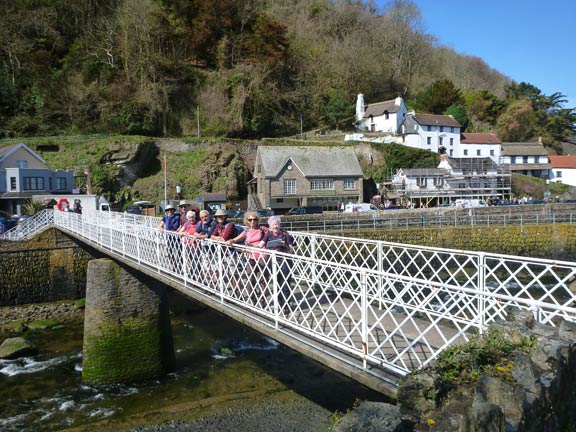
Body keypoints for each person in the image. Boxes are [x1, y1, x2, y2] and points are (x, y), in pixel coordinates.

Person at [234, 211, 268, 306]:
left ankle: (262, 300)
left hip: (262, 255)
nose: (252, 221)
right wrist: (230, 241)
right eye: (250, 219)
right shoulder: (246, 231)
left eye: (254, 219)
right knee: (250, 278)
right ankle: (253, 297)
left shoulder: (262, 229)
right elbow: (237, 238)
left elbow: (272, 234)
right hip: (251, 256)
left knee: (262, 279)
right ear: (247, 221)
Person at [261, 216, 294, 312]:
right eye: (273, 225)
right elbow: (261, 244)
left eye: (277, 224)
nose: (275, 226)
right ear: (270, 226)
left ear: (279, 225)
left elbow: (291, 250)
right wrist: (250, 246)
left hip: (284, 260)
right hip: (273, 261)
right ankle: (279, 303)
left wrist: (285, 245)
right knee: (276, 283)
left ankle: (286, 305)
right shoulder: (268, 234)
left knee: (285, 283)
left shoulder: (285, 234)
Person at [158, 204, 181, 272]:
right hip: (169, 237)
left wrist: (177, 231)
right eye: (168, 210)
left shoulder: (178, 216)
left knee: (179, 251)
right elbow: (161, 225)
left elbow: (181, 225)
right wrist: (161, 228)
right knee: (169, 252)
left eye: (171, 210)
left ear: (173, 210)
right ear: (167, 211)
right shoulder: (165, 217)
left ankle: (179, 266)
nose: (170, 211)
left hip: (177, 236)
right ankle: (174, 265)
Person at [177, 210, 198, 276]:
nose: (191, 219)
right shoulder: (187, 223)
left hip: (196, 245)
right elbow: (179, 232)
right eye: (189, 217)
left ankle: (197, 274)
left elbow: (201, 232)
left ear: (195, 217)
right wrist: (184, 233)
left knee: (196, 260)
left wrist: (195, 236)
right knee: (189, 259)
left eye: (192, 217)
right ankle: (191, 273)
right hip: (187, 244)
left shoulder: (199, 223)